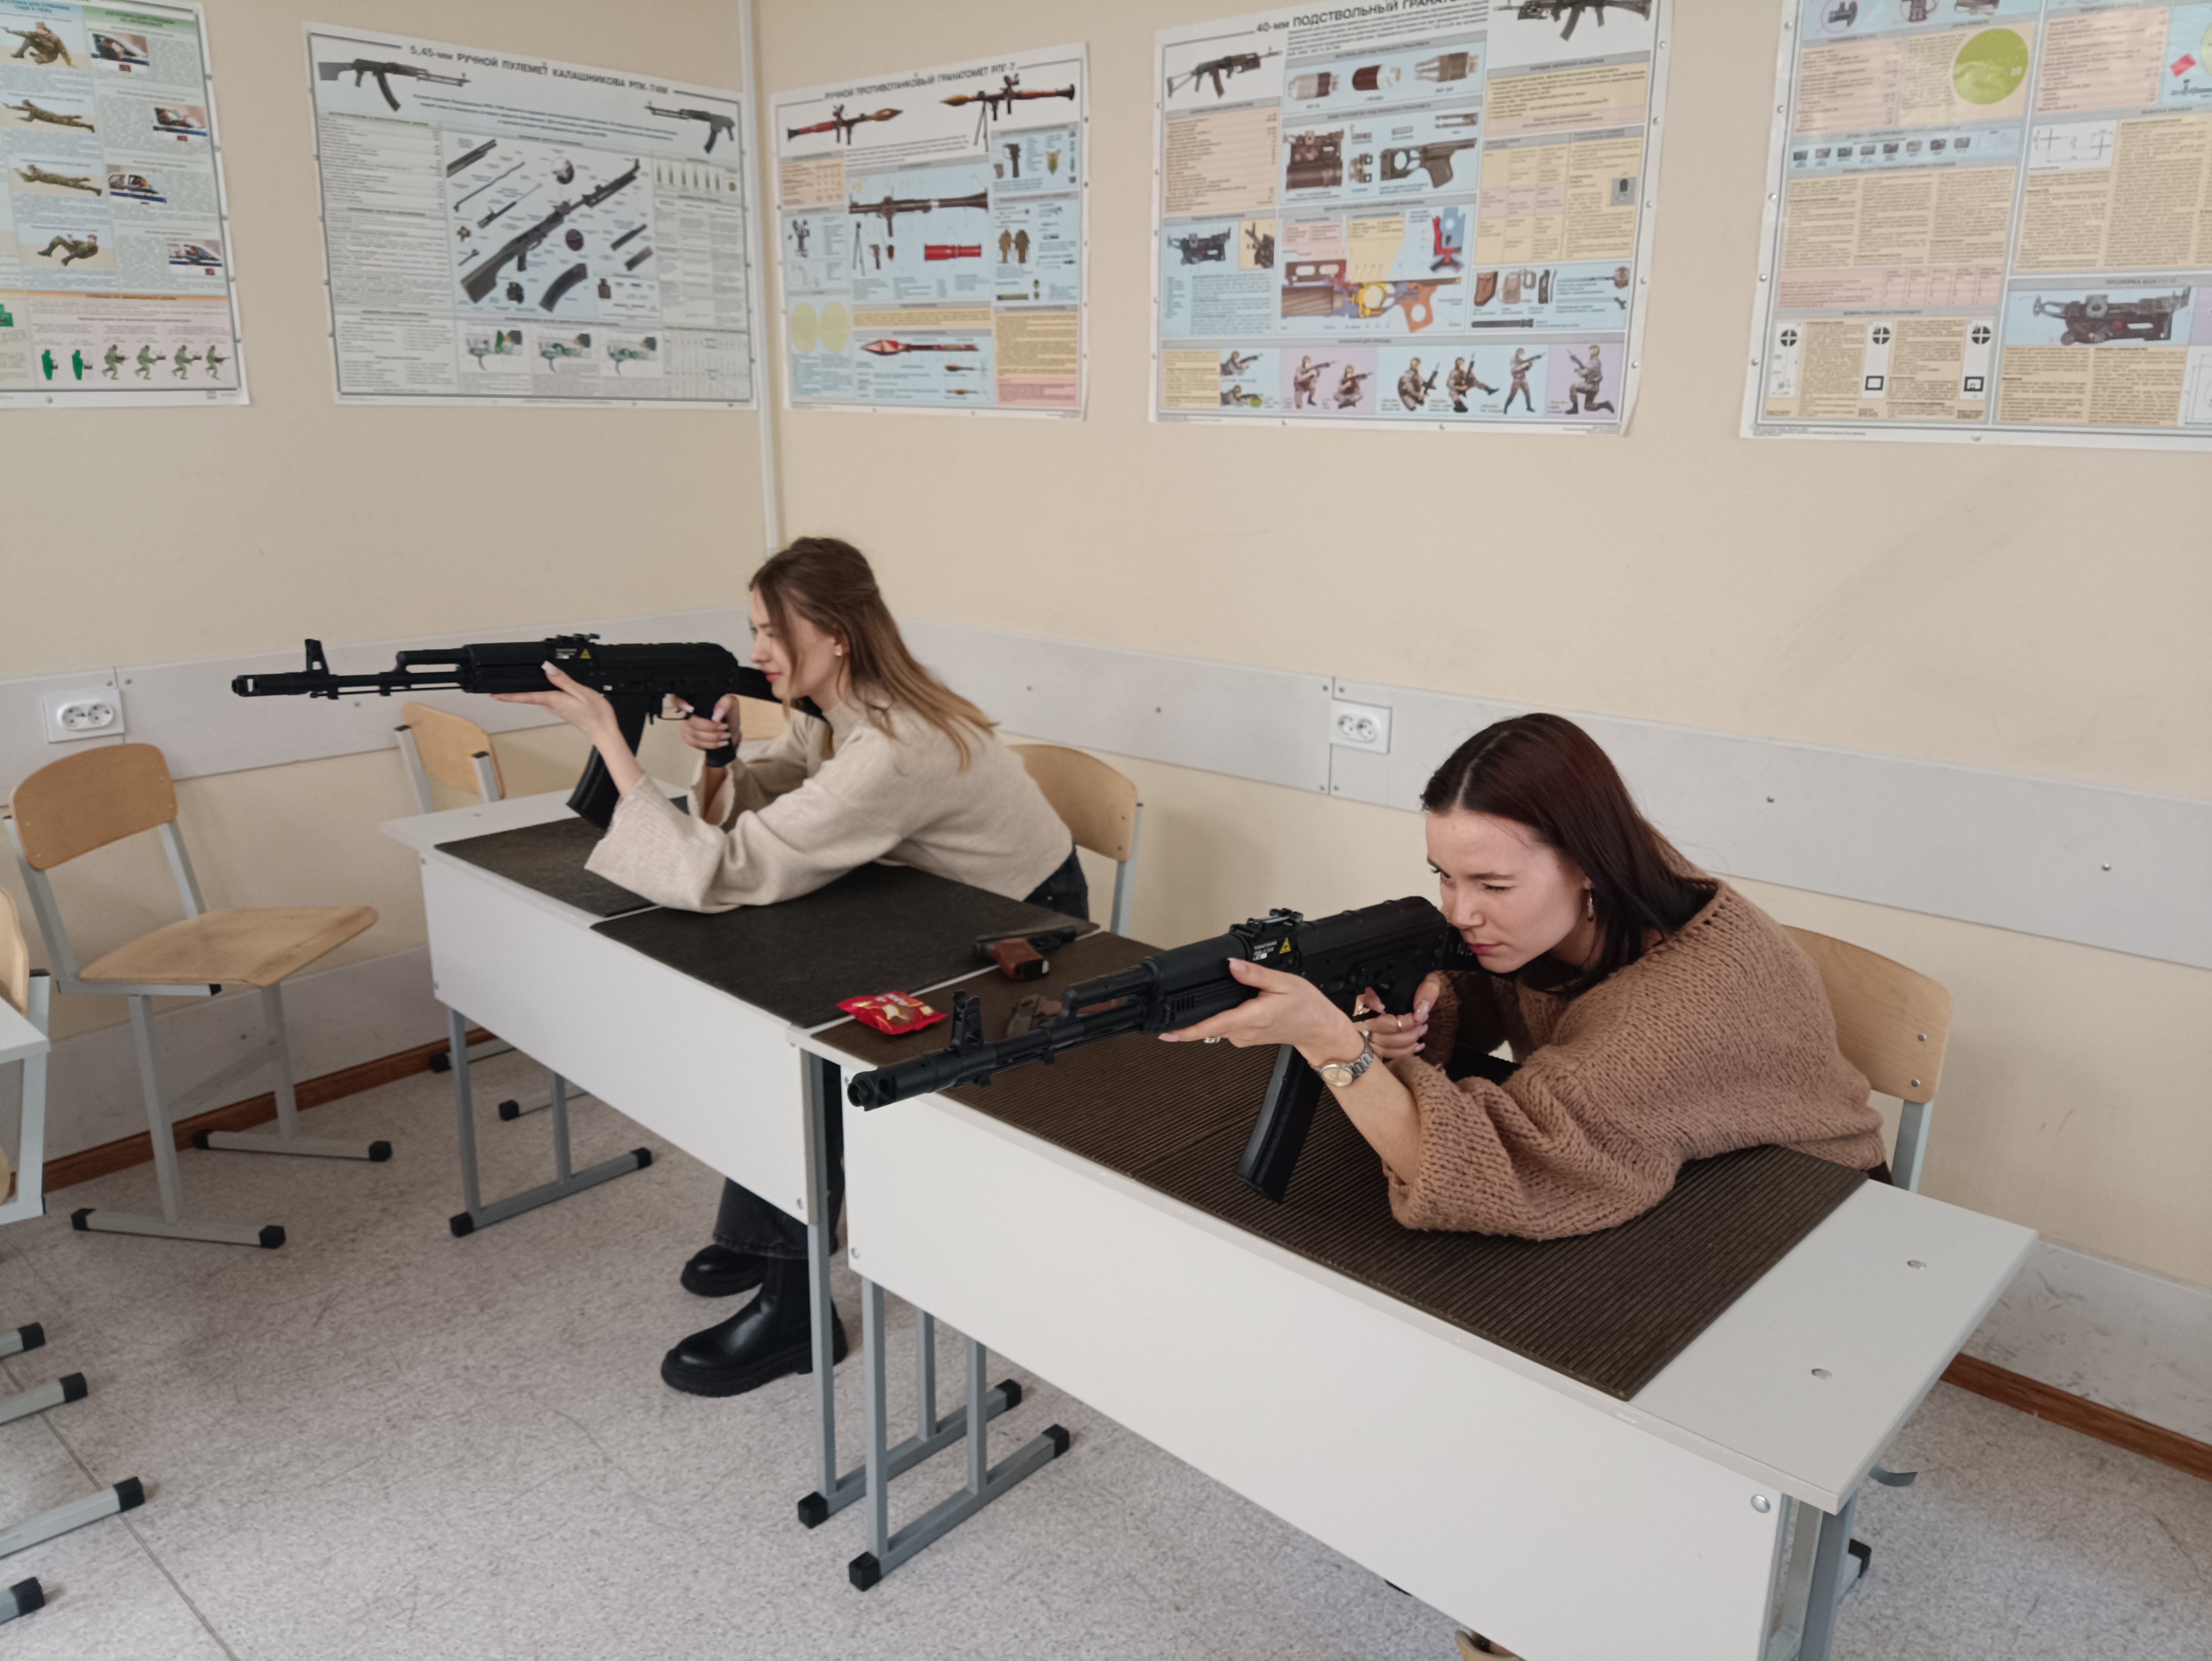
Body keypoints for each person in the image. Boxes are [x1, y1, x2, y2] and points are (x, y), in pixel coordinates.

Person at [495, 537, 1086, 1395]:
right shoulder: (839, 706)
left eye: (773, 632)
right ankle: (768, 1238)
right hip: (937, 904)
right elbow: (782, 797)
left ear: (837, 635)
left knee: (799, 1048)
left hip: (1023, 935)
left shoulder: (896, 745)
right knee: (773, 1016)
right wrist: (721, 756)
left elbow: (724, 868)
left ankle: (793, 1308)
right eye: (754, 630)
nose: (758, 651)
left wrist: (607, 739)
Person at [1161, 714, 1888, 1239]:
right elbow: (1482, 995)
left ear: (1588, 864)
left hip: (1808, 1204)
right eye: (1445, 876)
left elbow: (1484, 1172)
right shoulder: (1601, 891)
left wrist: (1331, 1044)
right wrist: (1422, 1006)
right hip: (1685, 1157)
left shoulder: (1680, 1009)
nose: (1462, 912)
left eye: (1494, 885)